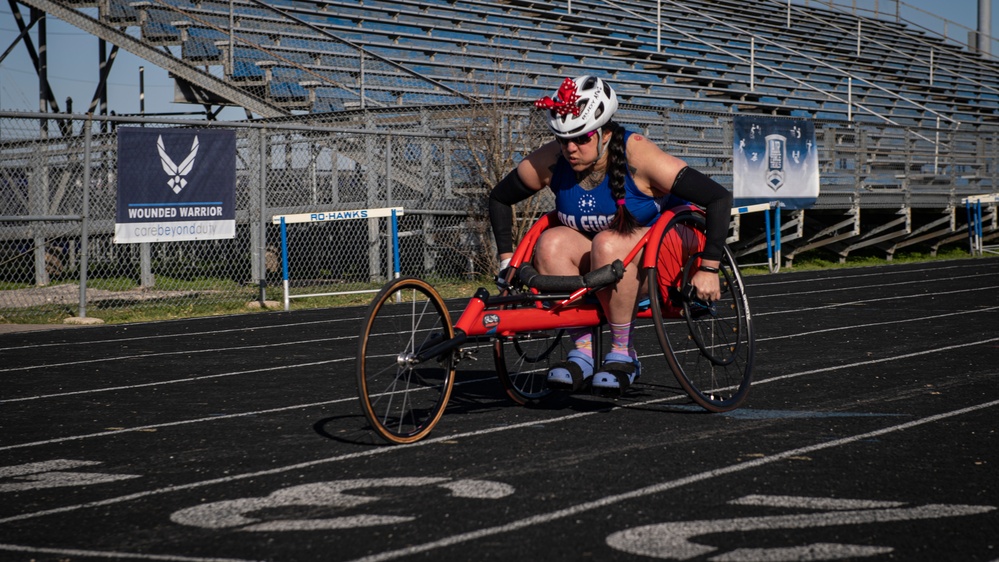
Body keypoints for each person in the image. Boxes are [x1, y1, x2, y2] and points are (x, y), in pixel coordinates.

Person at [488, 75, 732, 396]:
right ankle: (583, 353)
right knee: (551, 242)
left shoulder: (639, 155)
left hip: (667, 257)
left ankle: (623, 352)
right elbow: (499, 197)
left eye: (581, 138)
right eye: (563, 139)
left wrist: (710, 268)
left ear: (604, 132)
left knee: (607, 241)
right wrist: (507, 260)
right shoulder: (554, 159)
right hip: (608, 263)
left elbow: (718, 197)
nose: (570, 148)